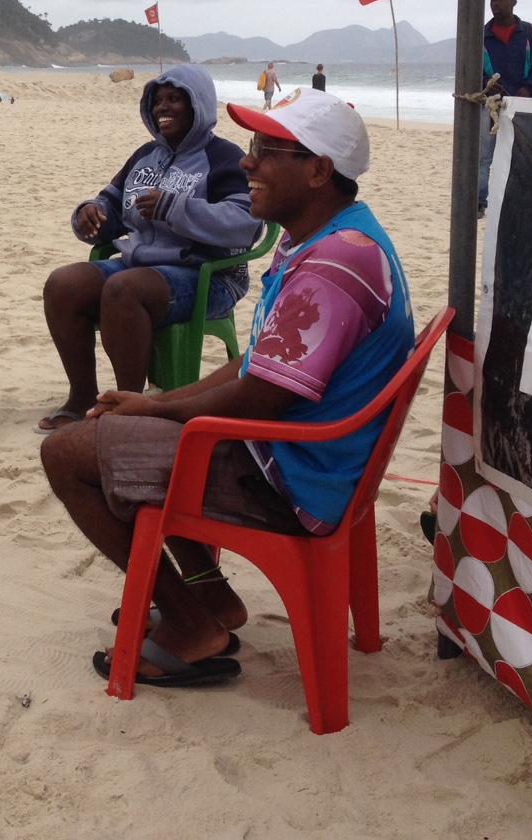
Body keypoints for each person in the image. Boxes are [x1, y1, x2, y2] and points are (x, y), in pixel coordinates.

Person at [40, 88, 414, 686]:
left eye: (267, 150)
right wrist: (154, 404)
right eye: (251, 146)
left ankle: (193, 625)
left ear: (318, 170)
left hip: (292, 474)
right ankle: (211, 597)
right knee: (123, 427)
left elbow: (263, 396)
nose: (246, 162)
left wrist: (160, 417)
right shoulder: (325, 237)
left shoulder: (336, 263)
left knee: (66, 454)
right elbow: (254, 369)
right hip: (296, 450)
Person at [38, 64, 259, 431]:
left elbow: (244, 225)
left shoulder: (223, 157)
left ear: (199, 106)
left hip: (208, 275)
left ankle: (128, 408)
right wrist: (90, 215)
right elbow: (110, 201)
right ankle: (81, 397)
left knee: (125, 289)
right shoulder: (146, 156)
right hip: (140, 266)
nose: (162, 108)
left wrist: (175, 209)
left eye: (175, 99)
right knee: (63, 284)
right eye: (157, 101)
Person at [478, 0, 532, 215]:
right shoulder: (482, 35)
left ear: (514, 2)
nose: (496, 4)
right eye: (493, 0)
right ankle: (480, 202)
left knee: (520, 156)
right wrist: (484, 84)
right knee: (483, 157)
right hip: (489, 106)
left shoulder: (530, 33)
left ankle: (517, 203)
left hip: (521, 106)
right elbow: (470, 67)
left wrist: (529, 89)